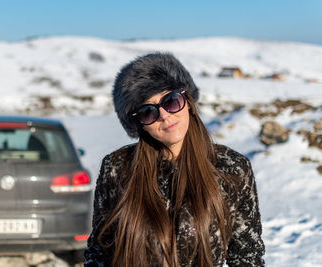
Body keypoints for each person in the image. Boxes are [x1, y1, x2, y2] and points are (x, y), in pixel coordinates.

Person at [84, 53, 265, 267]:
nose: (164, 116)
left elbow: (247, 258)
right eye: (147, 111)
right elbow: (99, 254)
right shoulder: (117, 168)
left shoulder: (232, 168)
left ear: (187, 101)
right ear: (139, 124)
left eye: (170, 101)